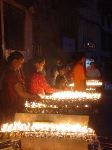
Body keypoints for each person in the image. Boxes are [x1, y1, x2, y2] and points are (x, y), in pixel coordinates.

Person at [1, 51, 40, 122]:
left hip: (11, 105)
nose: (21, 65)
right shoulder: (11, 74)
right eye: (21, 63)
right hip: (11, 106)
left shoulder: (12, 72)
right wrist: (35, 97)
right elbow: (20, 93)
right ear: (15, 61)